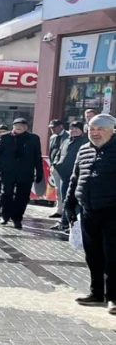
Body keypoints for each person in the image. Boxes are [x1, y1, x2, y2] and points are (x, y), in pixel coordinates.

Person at [66, 114, 116, 313]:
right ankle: (97, 293)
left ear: (112, 130)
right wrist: (70, 203)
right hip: (88, 209)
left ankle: (113, 297)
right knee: (92, 254)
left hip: (112, 211)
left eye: (100, 129)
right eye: (92, 129)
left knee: (112, 256)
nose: (95, 133)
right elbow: (75, 177)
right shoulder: (84, 149)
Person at [0, 117, 44, 229]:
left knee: (22, 197)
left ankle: (17, 218)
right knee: (6, 194)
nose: (18, 127)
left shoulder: (33, 138)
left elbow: (37, 156)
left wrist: (39, 172)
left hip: (25, 172)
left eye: (21, 125)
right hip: (8, 172)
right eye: (16, 125)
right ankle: (5, 215)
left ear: (26, 127)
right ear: (13, 127)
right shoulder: (6, 137)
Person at [53, 121, 87, 232]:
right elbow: (58, 154)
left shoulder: (85, 141)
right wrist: (57, 165)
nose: (74, 131)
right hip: (65, 176)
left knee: (75, 202)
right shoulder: (66, 140)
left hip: (78, 177)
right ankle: (64, 222)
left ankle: (73, 225)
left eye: (76, 128)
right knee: (65, 200)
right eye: (72, 129)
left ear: (82, 130)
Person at [48, 119, 69, 219]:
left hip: (65, 167)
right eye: (51, 127)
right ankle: (59, 210)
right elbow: (51, 150)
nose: (52, 129)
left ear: (61, 126)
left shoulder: (68, 136)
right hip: (55, 166)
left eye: (54, 127)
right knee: (57, 190)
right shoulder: (52, 137)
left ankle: (65, 211)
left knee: (64, 189)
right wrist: (52, 164)